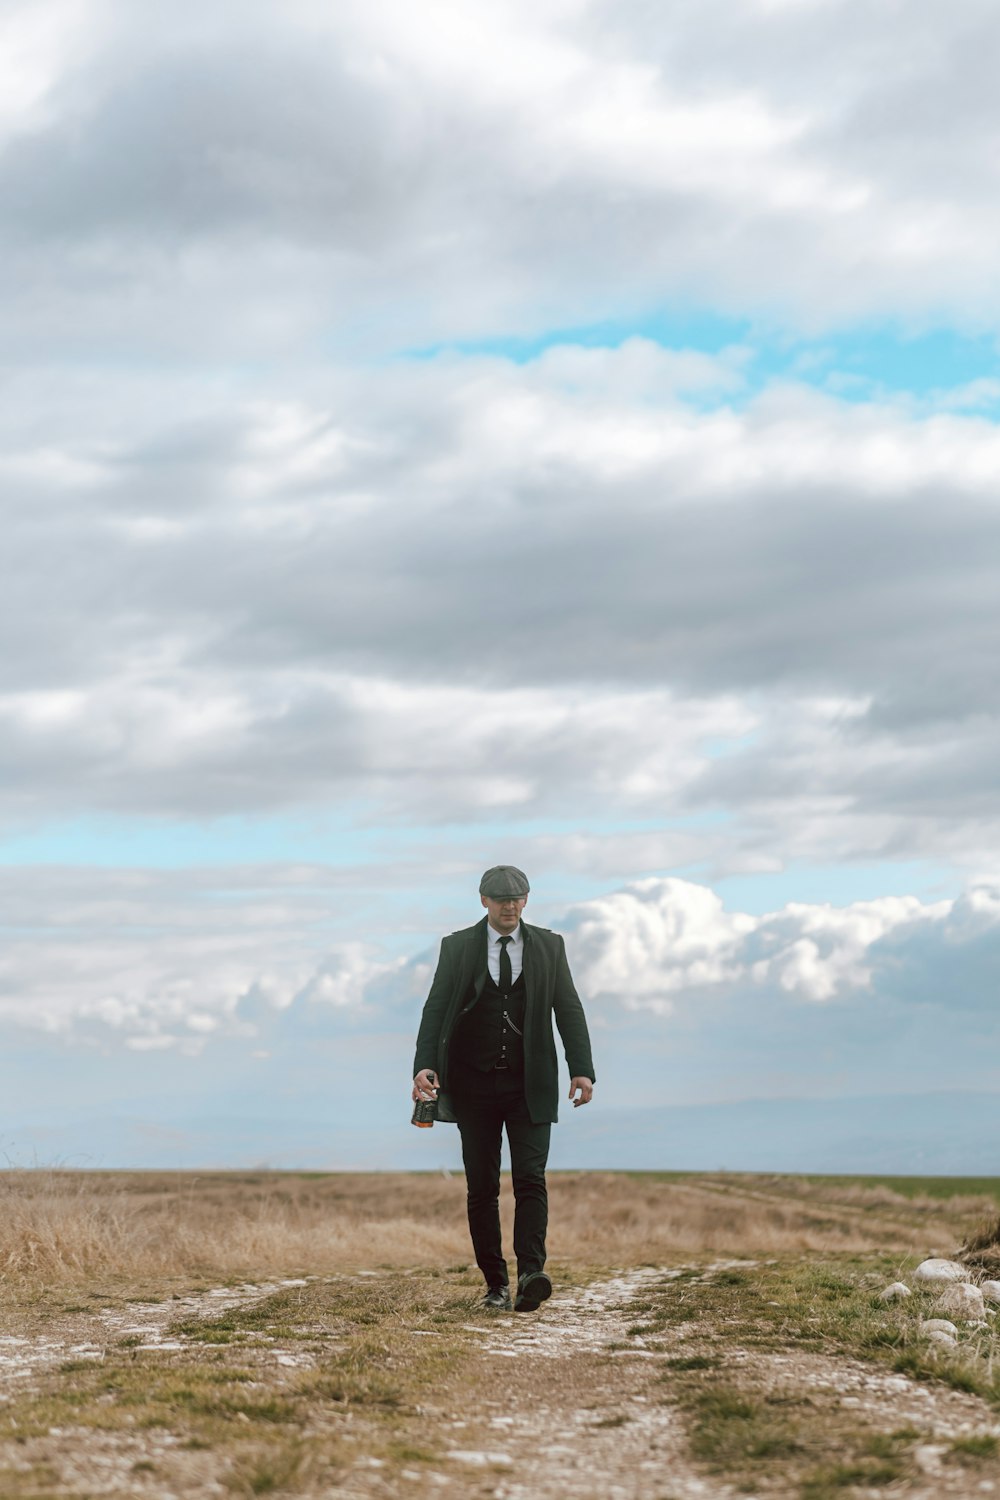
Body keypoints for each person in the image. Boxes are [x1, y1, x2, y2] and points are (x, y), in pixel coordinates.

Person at [412, 865, 595, 1313]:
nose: (509, 905)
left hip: (529, 1084)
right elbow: (434, 1009)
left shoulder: (550, 946)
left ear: (526, 901)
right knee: (482, 1187)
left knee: (531, 1179)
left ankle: (531, 1273)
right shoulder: (457, 947)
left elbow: (568, 1008)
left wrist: (582, 1069)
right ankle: (496, 1284)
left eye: (517, 898)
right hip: (472, 1084)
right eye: (500, 899)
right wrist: (423, 1067)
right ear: (484, 901)